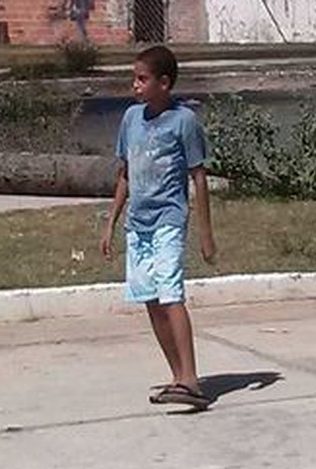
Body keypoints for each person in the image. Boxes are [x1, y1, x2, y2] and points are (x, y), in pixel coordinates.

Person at [99, 46, 217, 411]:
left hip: (168, 219)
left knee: (171, 295)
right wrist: (111, 223)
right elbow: (126, 175)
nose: (135, 85)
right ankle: (178, 376)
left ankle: (192, 379)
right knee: (150, 299)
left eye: (142, 79)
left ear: (164, 83)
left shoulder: (183, 122)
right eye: (134, 78)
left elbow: (198, 177)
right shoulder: (131, 119)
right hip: (139, 225)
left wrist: (206, 233)